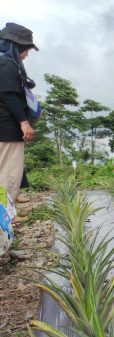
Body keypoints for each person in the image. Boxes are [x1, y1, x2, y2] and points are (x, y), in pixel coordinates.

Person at [0, 23, 37, 203]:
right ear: (17, 46)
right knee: (8, 178)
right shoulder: (7, 64)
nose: (27, 55)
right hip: (7, 130)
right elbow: (8, 95)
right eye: (26, 50)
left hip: (4, 130)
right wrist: (24, 122)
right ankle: (3, 225)